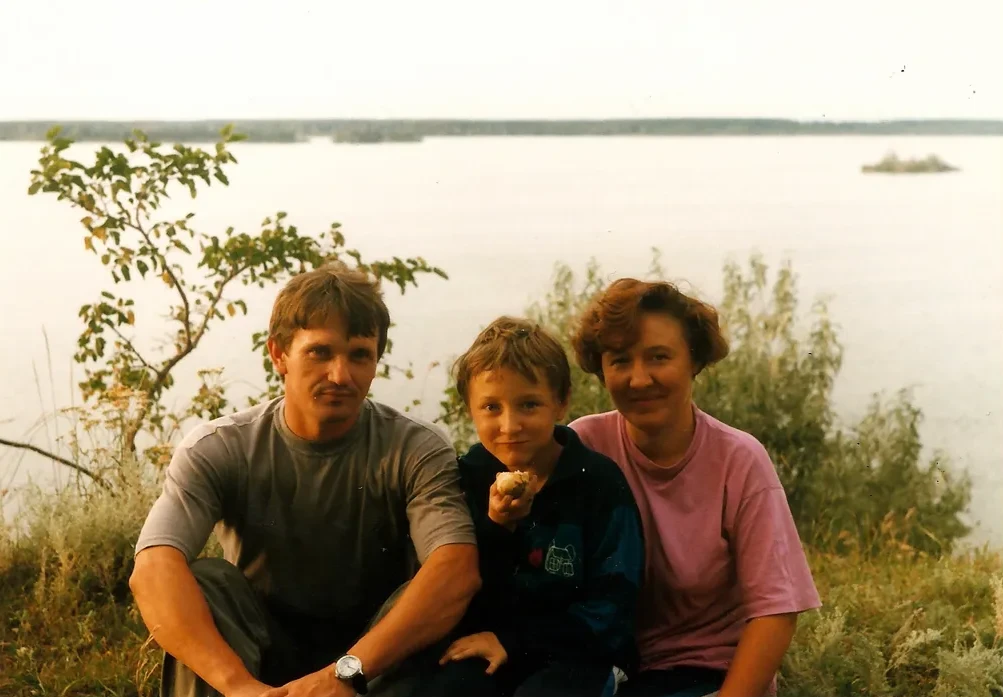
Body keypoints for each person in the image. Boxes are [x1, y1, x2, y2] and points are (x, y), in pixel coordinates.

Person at [129, 262, 482, 697]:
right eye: (320, 352)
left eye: (359, 355)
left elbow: (456, 570)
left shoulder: (414, 448)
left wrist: (346, 674)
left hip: (373, 664)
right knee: (208, 581)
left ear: (375, 363)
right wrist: (239, 686)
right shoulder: (220, 447)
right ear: (279, 354)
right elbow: (152, 568)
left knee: (422, 591)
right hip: (260, 660)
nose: (340, 375)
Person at [568, 278, 822, 697]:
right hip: (603, 670)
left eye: (659, 357)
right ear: (601, 369)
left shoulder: (738, 460)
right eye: (620, 361)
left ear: (694, 361)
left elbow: (775, 611)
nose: (639, 379)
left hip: (708, 673)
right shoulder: (584, 447)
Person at [415, 317, 645, 697]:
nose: (510, 425)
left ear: (561, 402)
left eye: (529, 405)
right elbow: (459, 587)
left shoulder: (597, 482)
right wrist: (495, 528)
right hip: (490, 644)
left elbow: (614, 603)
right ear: (469, 410)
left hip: (577, 651)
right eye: (491, 407)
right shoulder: (470, 476)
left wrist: (516, 642)